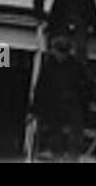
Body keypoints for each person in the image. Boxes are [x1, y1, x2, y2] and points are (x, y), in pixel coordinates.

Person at [30, 33, 91, 161]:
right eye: (57, 52)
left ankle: (72, 156)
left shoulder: (76, 66)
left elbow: (89, 84)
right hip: (54, 104)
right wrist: (33, 110)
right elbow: (40, 89)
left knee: (75, 132)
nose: (59, 56)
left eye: (62, 53)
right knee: (54, 130)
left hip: (73, 103)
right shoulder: (48, 66)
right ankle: (55, 153)